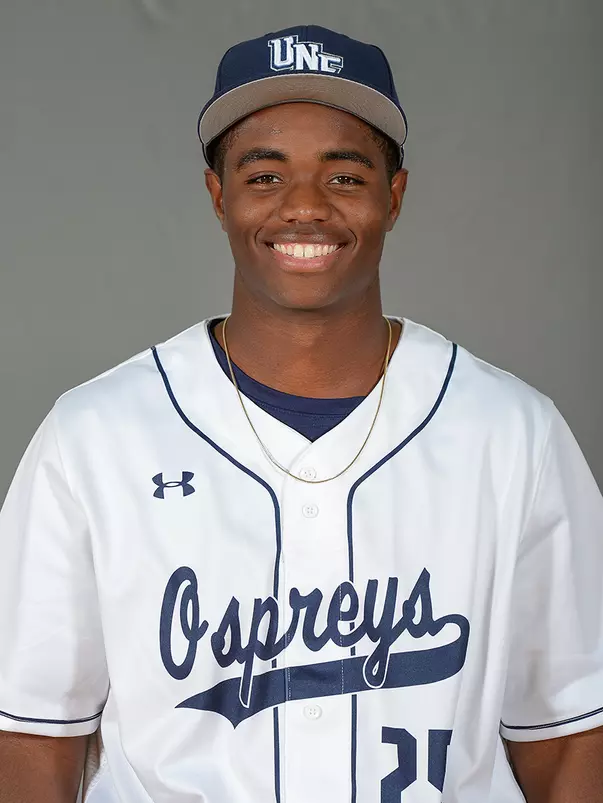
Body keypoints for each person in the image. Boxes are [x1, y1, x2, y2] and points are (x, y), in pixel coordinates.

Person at [0, 23, 602, 803]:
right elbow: (30, 737)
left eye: (344, 176)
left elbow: (571, 733)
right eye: (265, 176)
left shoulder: (511, 434)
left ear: (394, 195)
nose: (305, 207)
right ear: (219, 196)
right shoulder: (94, 436)